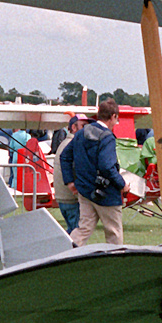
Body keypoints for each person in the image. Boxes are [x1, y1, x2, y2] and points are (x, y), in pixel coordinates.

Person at [61, 98, 128, 246]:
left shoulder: (80, 134)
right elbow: (106, 166)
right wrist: (122, 184)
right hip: (106, 194)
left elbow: (64, 156)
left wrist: (70, 181)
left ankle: (65, 253)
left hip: (84, 190)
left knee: (83, 229)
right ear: (113, 116)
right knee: (114, 232)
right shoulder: (107, 137)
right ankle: (115, 260)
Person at [52, 115, 86, 234]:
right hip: (71, 198)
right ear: (74, 127)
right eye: (83, 126)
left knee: (72, 231)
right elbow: (77, 170)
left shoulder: (64, 143)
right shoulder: (73, 145)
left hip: (62, 197)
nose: (86, 129)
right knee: (77, 233)